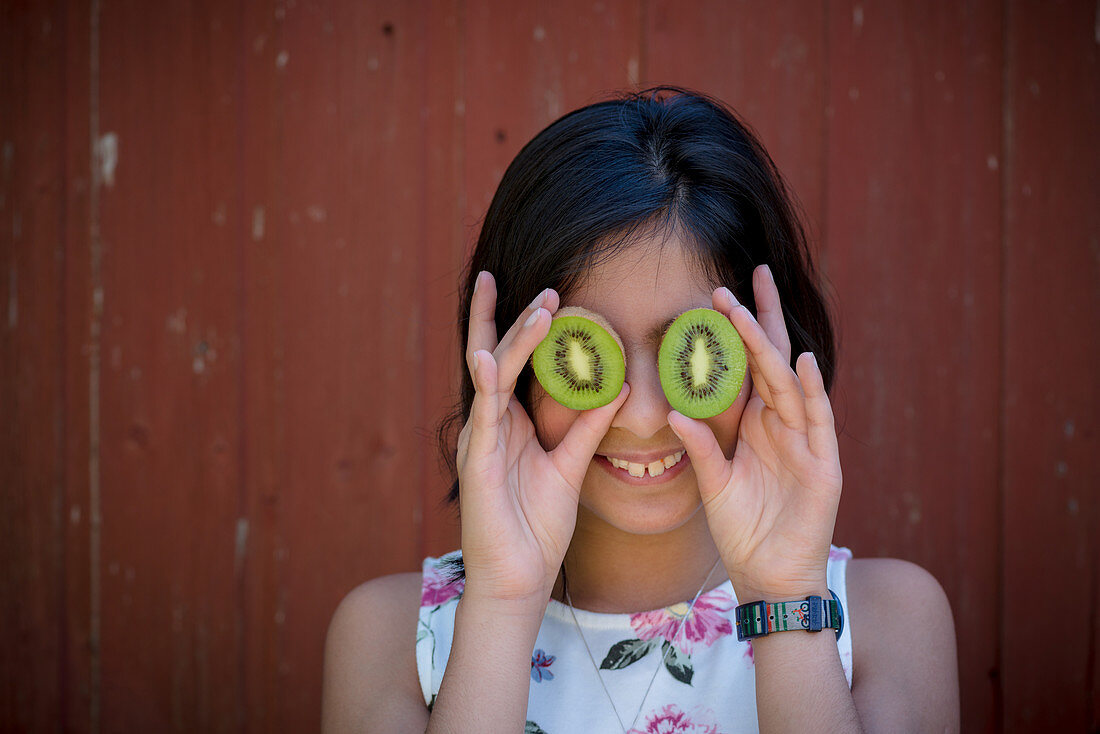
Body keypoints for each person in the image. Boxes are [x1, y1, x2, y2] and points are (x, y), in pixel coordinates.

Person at [321, 87, 959, 733]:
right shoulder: (394, 641)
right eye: (587, 351)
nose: (645, 416)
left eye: (691, 343)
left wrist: (784, 594)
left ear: (770, 351)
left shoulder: (889, 624)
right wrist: (502, 605)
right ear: (509, 366)